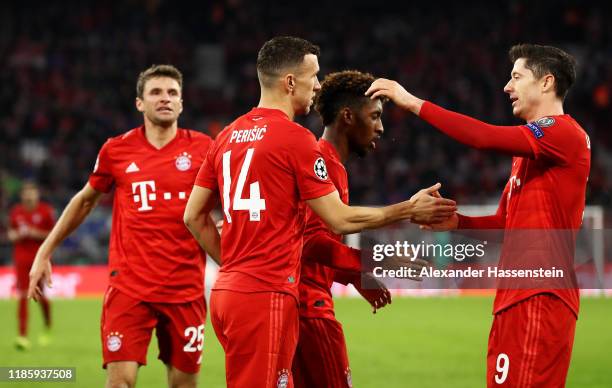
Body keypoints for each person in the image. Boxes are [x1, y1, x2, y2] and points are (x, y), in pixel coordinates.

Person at [183, 36, 456, 388]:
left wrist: (236, 266)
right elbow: (334, 221)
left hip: (233, 292)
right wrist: (405, 213)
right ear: (290, 81)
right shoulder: (298, 142)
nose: (317, 84)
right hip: (279, 298)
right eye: (313, 75)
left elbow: (193, 216)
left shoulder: (226, 136)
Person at [366, 43, 590, 387]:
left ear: (546, 83)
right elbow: (504, 225)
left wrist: (411, 102)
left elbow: (483, 138)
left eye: (516, 77)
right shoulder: (530, 154)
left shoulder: (563, 133)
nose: (506, 87)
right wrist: (458, 223)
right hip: (514, 296)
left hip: (540, 295)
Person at [28, 65, 216, 388]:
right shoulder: (116, 150)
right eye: (155, 92)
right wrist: (44, 251)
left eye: (172, 93)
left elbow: (235, 197)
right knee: (120, 383)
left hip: (185, 290)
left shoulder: (205, 150)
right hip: (130, 289)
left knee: (183, 385)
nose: (165, 99)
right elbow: (85, 201)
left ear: (182, 103)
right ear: (139, 103)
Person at [292, 70, 419, 388]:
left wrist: (357, 277)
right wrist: (373, 262)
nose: (381, 127)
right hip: (308, 306)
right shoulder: (320, 163)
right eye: (374, 116)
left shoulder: (331, 165)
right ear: (348, 116)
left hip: (300, 302)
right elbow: (312, 244)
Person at [7, 181, 55, 350]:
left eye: (31, 192)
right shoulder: (16, 212)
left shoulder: (46, 211)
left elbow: (53, 234)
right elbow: (10, 233)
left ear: (37, 194)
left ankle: (47, 324)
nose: (29, 196)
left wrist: (34, 233)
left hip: (40, 258)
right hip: (21, 258)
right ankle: (22, 336)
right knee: (22, 294)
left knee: (40, 296)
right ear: (22, 196)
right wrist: (14, 235)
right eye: (26, 193)